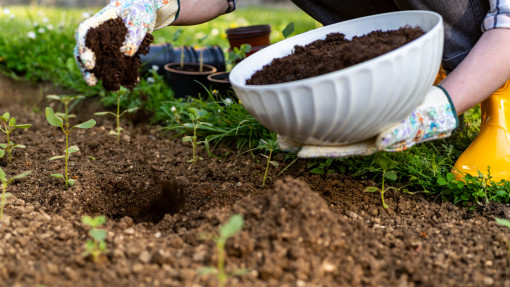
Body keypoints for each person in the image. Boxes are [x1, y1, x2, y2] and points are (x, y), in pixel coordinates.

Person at [75, 0, 510, 180]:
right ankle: (402, 71)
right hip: (392, 43)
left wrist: (443, 104)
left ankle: (495, 100)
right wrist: (152, 6)